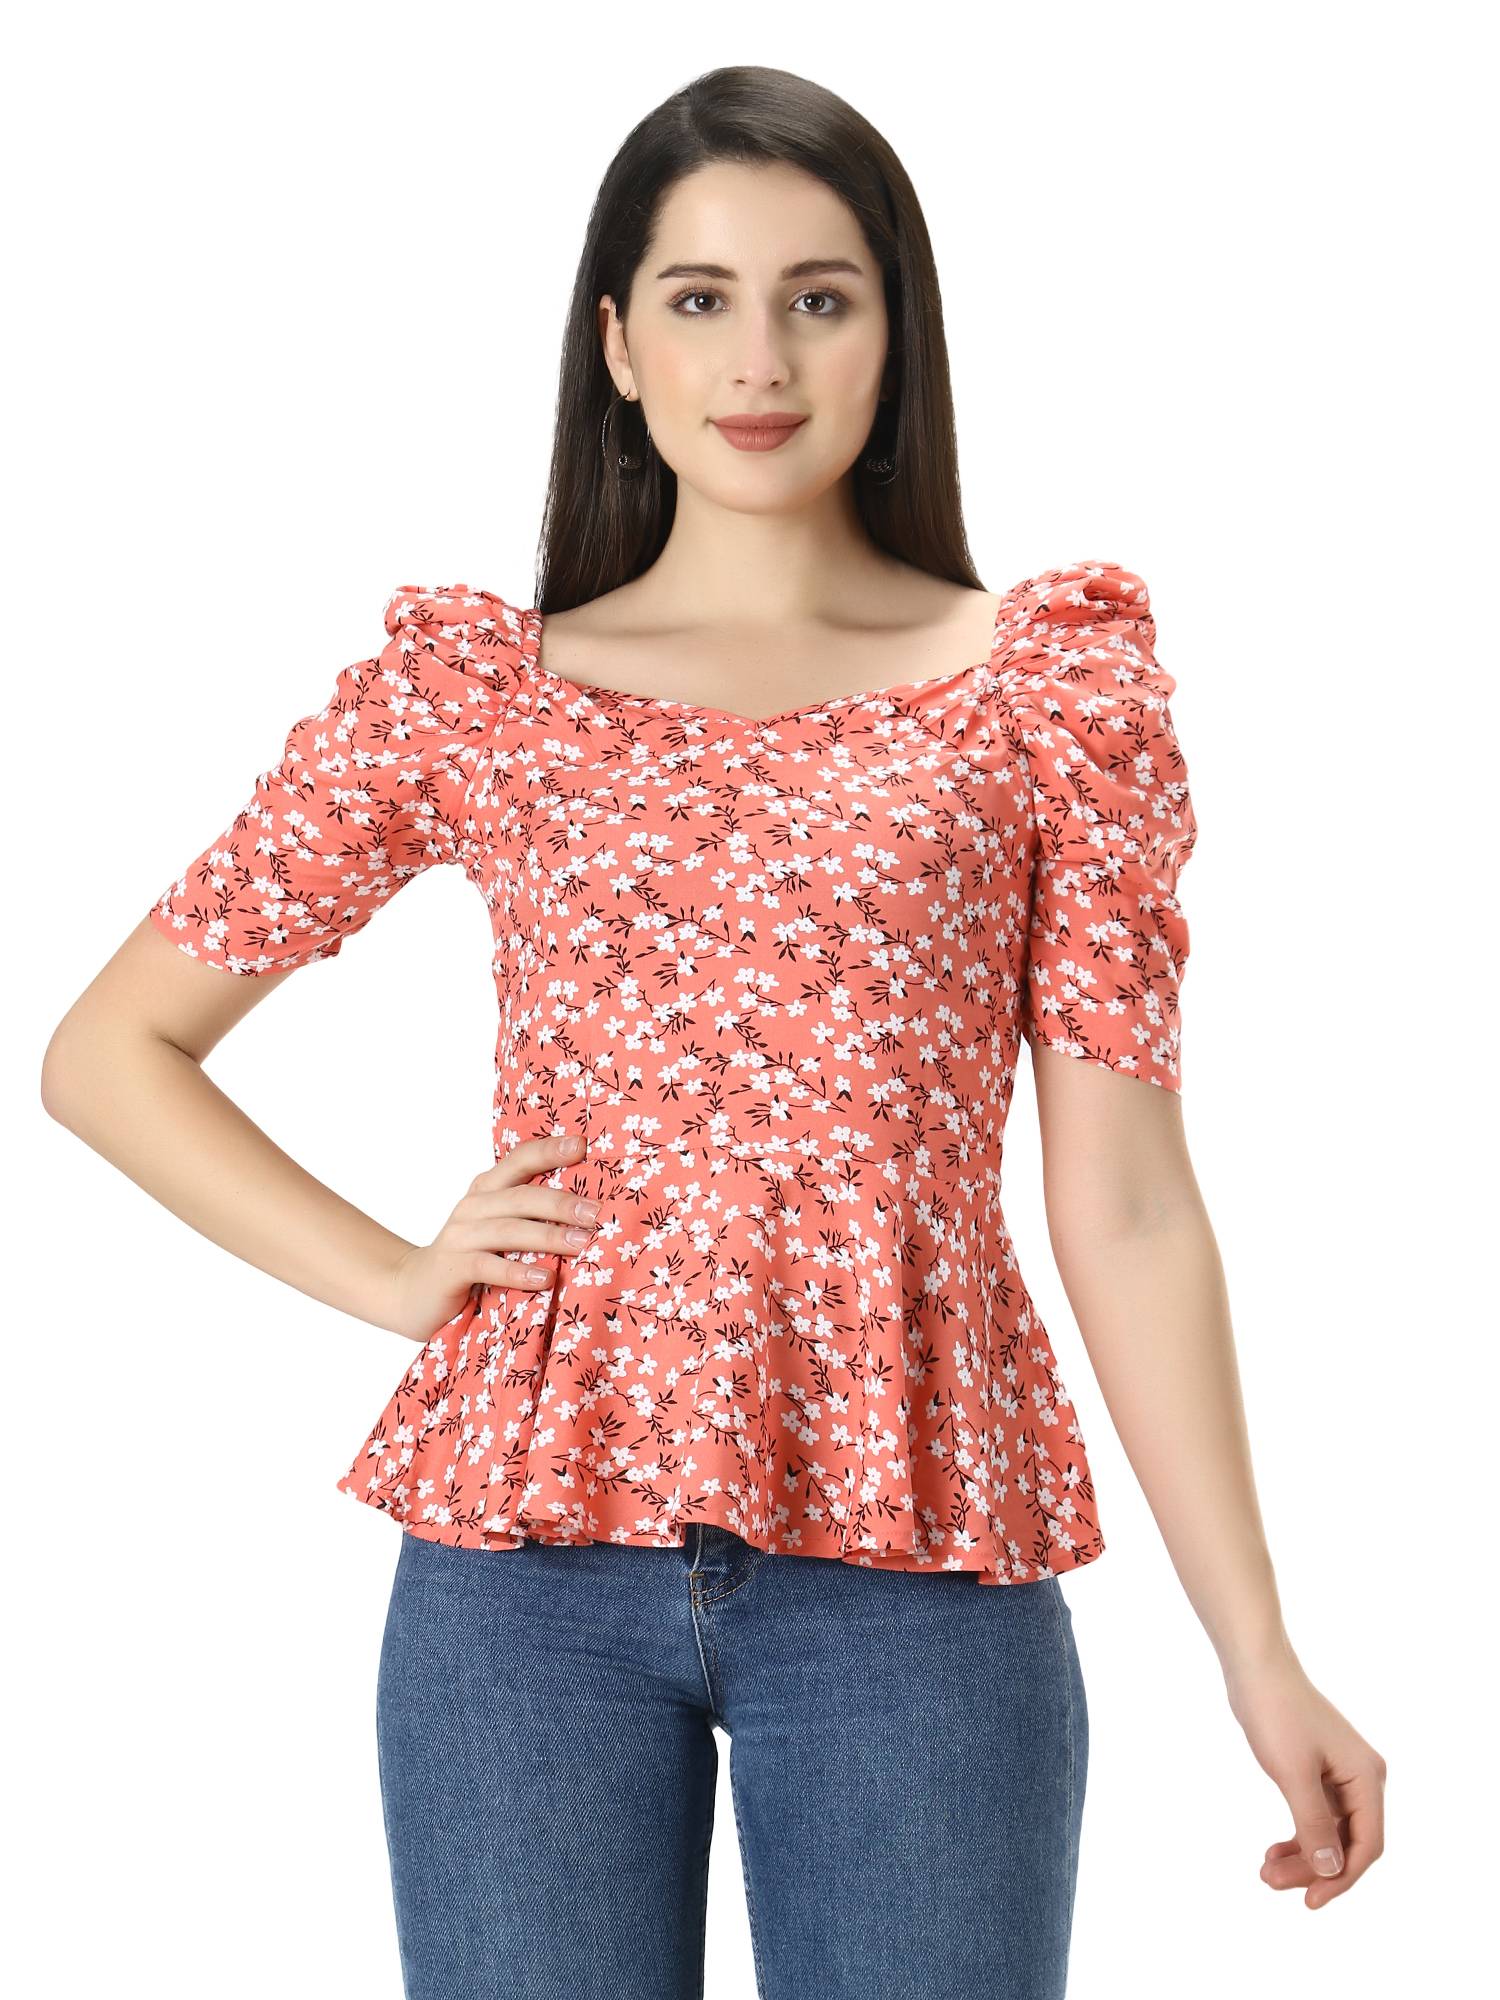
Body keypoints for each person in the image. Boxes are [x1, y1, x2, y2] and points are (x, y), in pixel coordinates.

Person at [42, 61, 1384, 2000]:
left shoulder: (1041, 696)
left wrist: (1258, 1650)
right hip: (521, 1583)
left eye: (818, 297)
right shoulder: (486, 695)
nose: (759, 357)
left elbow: (1130, 1204)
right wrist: (401, 1280)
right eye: (700, 297)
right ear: (618, 343)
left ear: (895, 336)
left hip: (921, 1565)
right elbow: (110, 1054)